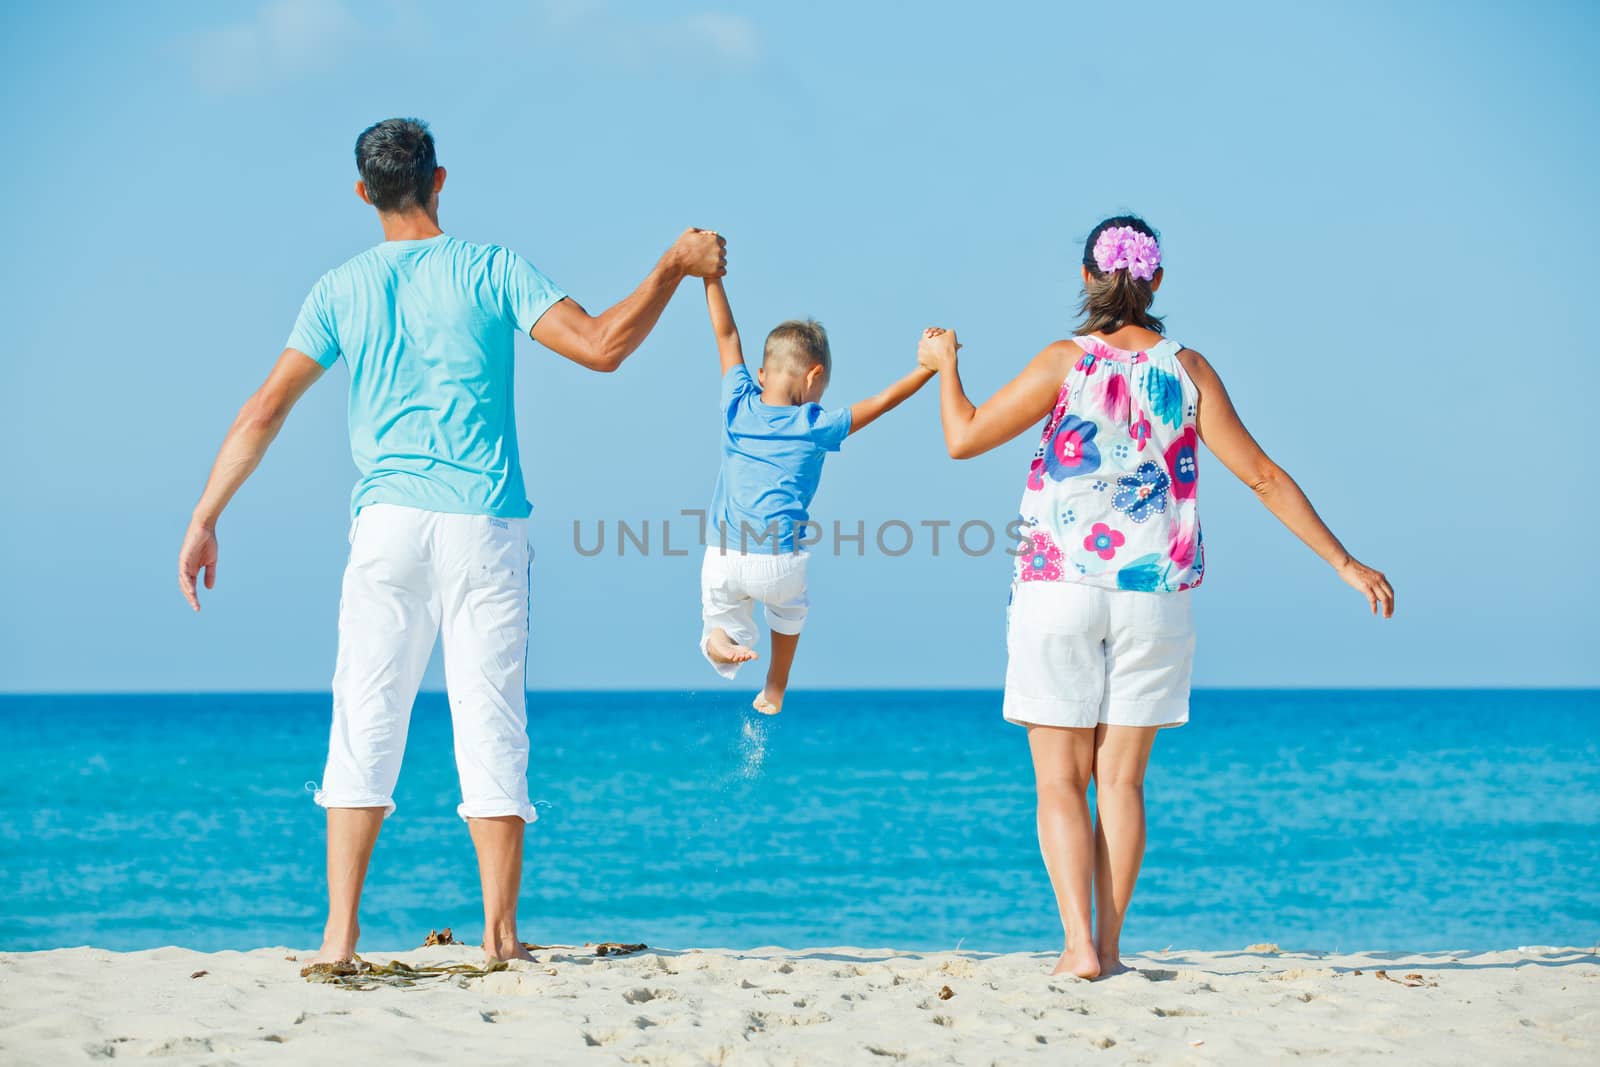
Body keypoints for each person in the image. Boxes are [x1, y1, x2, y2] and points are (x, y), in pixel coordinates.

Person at [175, 118, 726, 965]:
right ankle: (500, 937)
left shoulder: (340, 289)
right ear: (440, 181)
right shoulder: (492, 268)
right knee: (491, 719)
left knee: (363, 719)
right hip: (482, 524)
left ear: (365, 194)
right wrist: (673, 267)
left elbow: (263, 410)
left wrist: (206, 514)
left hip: (387, 526)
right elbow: (604, 346)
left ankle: (337, 936)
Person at [916, 216, 1394, 979]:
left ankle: (1077, 947)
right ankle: (1110, 947)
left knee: (1059, 779)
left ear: (1086, 278)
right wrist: (1343, 561)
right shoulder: (1190, 369)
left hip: (1061, 587)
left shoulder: (1063, 361)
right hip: (1154, 598)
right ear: (1158, 281)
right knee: (1122, 782)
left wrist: (943, 365)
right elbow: (1264, 474)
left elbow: (963, 435)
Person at [698, 277, 933, 714]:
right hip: (778, 561)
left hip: (723, 553)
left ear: (762, 373)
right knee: (790, 613)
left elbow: (726, 334)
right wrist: (928, 368)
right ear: (815, 376)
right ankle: (775, 684)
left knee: (721, 610)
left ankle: (717, 639)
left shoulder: (737, 404)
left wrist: (712, 277)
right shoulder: (815, 423)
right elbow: (882, 402)